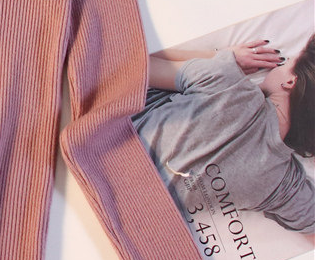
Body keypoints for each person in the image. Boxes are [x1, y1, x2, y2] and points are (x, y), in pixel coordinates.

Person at [132, 35, 315, 233]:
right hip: (135, 223)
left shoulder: (225, 79)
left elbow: (134, 63)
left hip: (111, 152)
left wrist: (223, 56)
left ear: (290, 81)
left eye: (287, 63)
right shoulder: (283, 185)